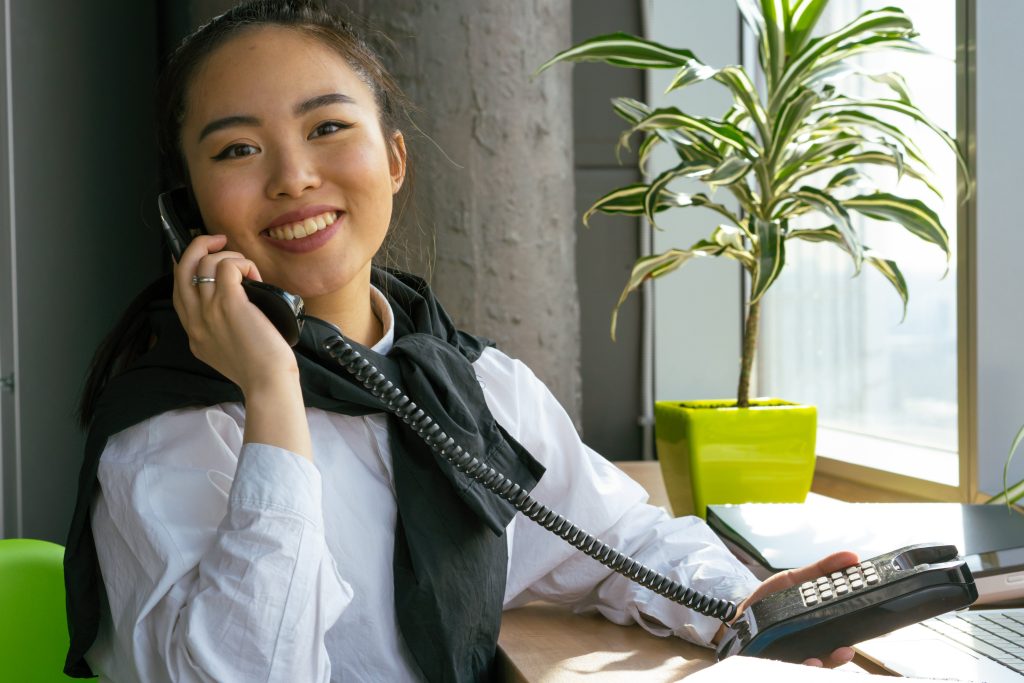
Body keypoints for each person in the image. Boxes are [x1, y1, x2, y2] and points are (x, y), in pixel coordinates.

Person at [63, 1, 858, 680]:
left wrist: (749, 605)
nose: (293, 176)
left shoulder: (468, 383)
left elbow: (619, 536)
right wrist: (273, 392)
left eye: (328, 126)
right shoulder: (168, 433)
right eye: (238, 149)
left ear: (395, 159)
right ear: (190, 211)